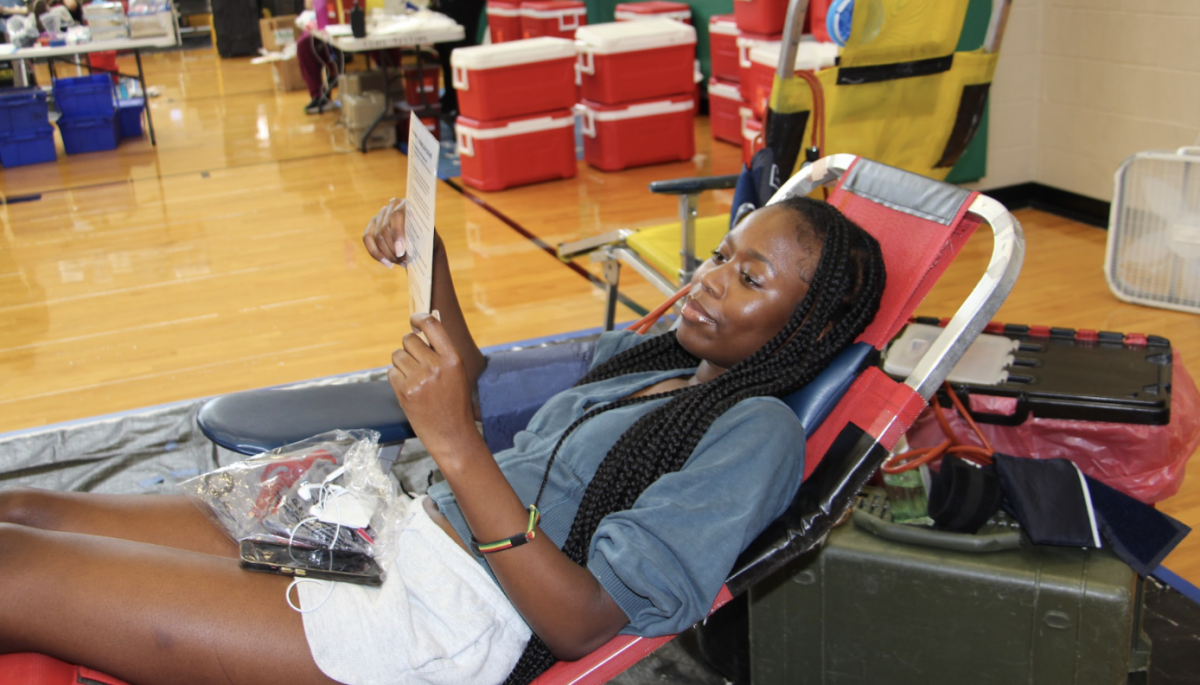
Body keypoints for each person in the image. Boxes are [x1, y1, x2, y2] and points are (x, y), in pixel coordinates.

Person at [0, 193, 885, 685]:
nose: (707, 279)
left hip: (439, 618)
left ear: (806, 322)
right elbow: (473, 375)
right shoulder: (648, 360)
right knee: (24, 508)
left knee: (16, 568)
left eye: (748, 275)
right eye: (721, 253)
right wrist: (431, 257)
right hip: (387, 532)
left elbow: (580, 623)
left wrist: (457, 447)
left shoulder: (756, 432)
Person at [298, 0, 390, 115]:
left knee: (385, 43)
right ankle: (319, 96)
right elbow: (309, 1)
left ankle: (389, 86)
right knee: (305, 44)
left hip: (364, 25)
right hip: (330, 26)